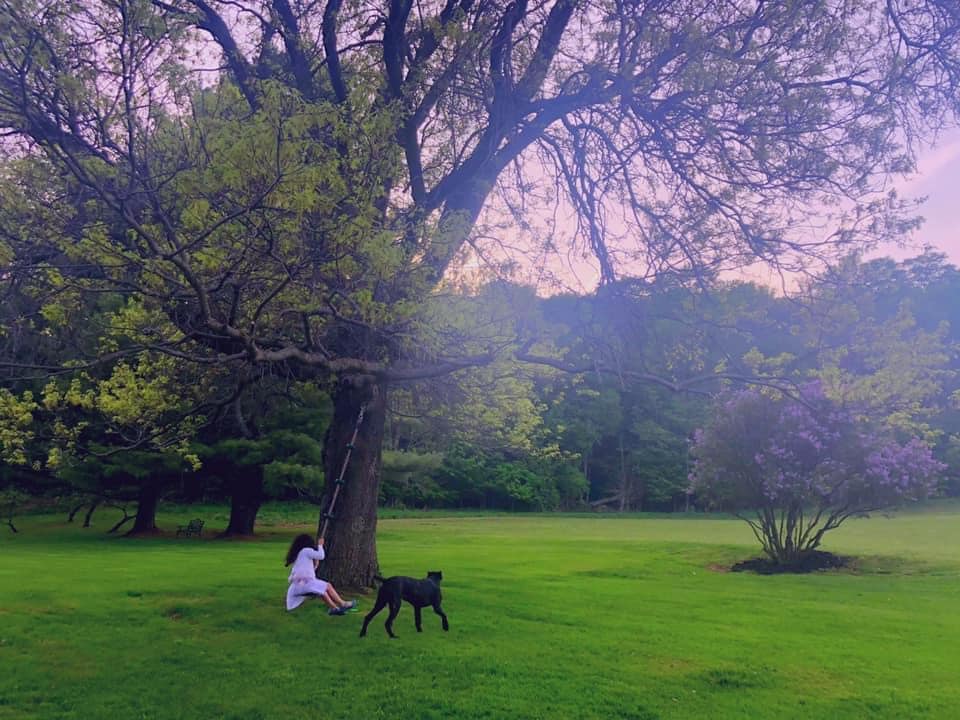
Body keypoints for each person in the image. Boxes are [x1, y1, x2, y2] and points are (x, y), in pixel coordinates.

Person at [285, 534, 358, 615]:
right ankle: (343, 604)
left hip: (298, 586)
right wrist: (320, 545)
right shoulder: (306, 550)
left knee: (321, 590)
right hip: (305, 584)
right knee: (327, 586)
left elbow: (306, 570)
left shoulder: (299, 555)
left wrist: (316, 565)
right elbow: (321, 556)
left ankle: (334, 608)